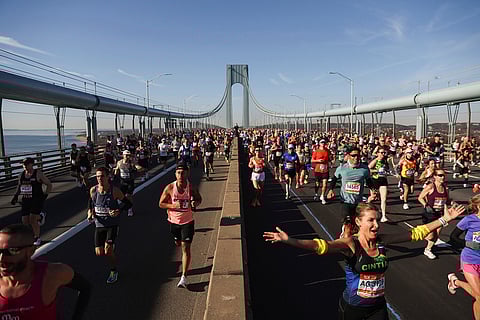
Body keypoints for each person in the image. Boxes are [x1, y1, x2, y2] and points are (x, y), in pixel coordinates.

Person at [263, 202, 465, 320]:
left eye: (377, 220)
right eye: (371, 220)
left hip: (377, 306)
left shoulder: (382, 241)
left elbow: (416, 233)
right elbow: (321, 246)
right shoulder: (351, 243)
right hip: (353, 309)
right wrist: (291, 241)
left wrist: (444, 220)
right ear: (359, 222)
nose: (376, 225)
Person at [0, 224, 91, 319]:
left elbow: (85, 287)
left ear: (31, 251)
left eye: (12, 251)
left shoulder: (52, 274)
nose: (1, 258)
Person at [158, 162, 202, 288]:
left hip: (187, 221)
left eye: (183, 173)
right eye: (178, 173)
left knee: (185, 248)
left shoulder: (191, 187)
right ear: (175, 174)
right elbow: (160, 204)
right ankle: (177, 239)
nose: (180, 175)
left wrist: (195, 203)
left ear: (187, 173)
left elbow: (199, 199)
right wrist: (173, 206)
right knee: (178, 243)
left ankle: (184, 277)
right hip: (174, 222)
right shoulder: (170, 188)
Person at [87, 167, 132, 284]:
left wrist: (118, 210)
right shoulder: (93, 190)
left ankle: (113, 271)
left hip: (112, 224)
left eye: (102, 176)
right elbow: (90, 204)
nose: (99, 179)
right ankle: (110, 247)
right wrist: (89, 213)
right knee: (99, 252)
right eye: (97, 176)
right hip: (99, 225)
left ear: (108, 177)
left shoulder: (114, 191)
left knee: (108, 251)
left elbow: (128, 204)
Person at [448, 194, 480, 319]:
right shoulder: (469, 220)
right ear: (477, 205)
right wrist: (469, 244)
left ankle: (455, 282)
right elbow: (453, 237)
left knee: (477, 295)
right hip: (470, 259)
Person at [327, 148, 371, 236]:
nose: (356, 158)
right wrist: (330, 190)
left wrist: (374, 191)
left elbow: (369, 181)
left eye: (358, 155)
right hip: (345, 201)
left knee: (357, 223)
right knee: (347, 222)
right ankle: (344, 237)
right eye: (353, 155)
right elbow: (334, 179)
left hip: (358, 201)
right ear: (348, 156)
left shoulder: (365, 169)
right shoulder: (342, 168)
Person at [11, 158, 52, 246]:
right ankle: (40, 217)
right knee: (25, 221)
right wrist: (15, 196)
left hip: (37, 199)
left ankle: (37, 237)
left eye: (26, 164)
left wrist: (45, 195)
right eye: (23, 164)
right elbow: (19, 186)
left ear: (31, 164)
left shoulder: (38, 174)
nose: (24, 166)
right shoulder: (21, 175)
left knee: (32, 219)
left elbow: (49, 184)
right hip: (26, 199)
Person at [417, 169, 449, 259]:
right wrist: (425, 205)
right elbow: (420, 197)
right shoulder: (430, 187)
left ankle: (428, 249)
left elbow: (447, 201)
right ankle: (422, 235)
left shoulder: (446, 188)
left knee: (437, 233)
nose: (442, 177)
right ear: (435, 176)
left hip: (440, 214)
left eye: (443, 175)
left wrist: (450, 210)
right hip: (429, 214)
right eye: (440, 175)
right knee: (431, 235)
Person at [113, 150, 142, 217]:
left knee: (128, 195)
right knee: (121, 196)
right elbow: (117, 170)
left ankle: (130, 209)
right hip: (123, 182)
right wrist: (114, 172)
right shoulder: (119, 162)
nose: (128, 157)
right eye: (126, 155)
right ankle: (124, 206)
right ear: (123, 155)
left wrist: (138, 168)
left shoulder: (132, 162)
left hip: (130, 182)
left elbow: (138, 166)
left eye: (129, 155)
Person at [368, 147, 390, 223]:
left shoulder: (385, 161)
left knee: (383, 199)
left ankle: (383, 216)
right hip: (374, 181)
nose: (383, 154)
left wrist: (386, 172)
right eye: (381, 153)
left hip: (383, 181)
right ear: (377, 153)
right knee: (373, 197)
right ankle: (367, 207)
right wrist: (377, 170)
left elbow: (387, 169)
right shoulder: (375, 160)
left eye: (384, 153)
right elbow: (369, 169)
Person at [311, 139, 330, 204]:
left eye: (324, 143)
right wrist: (318, 161)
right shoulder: (316, 151)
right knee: (317, 184)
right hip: (318, 169)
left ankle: (322, 196)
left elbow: (329, 158)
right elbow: (312, 160)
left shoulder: (327, 151)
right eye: (322, 143)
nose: (323, 144)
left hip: (325, 169)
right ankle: (316, 194)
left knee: (325, 184)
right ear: (319, 144)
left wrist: (330, 161)